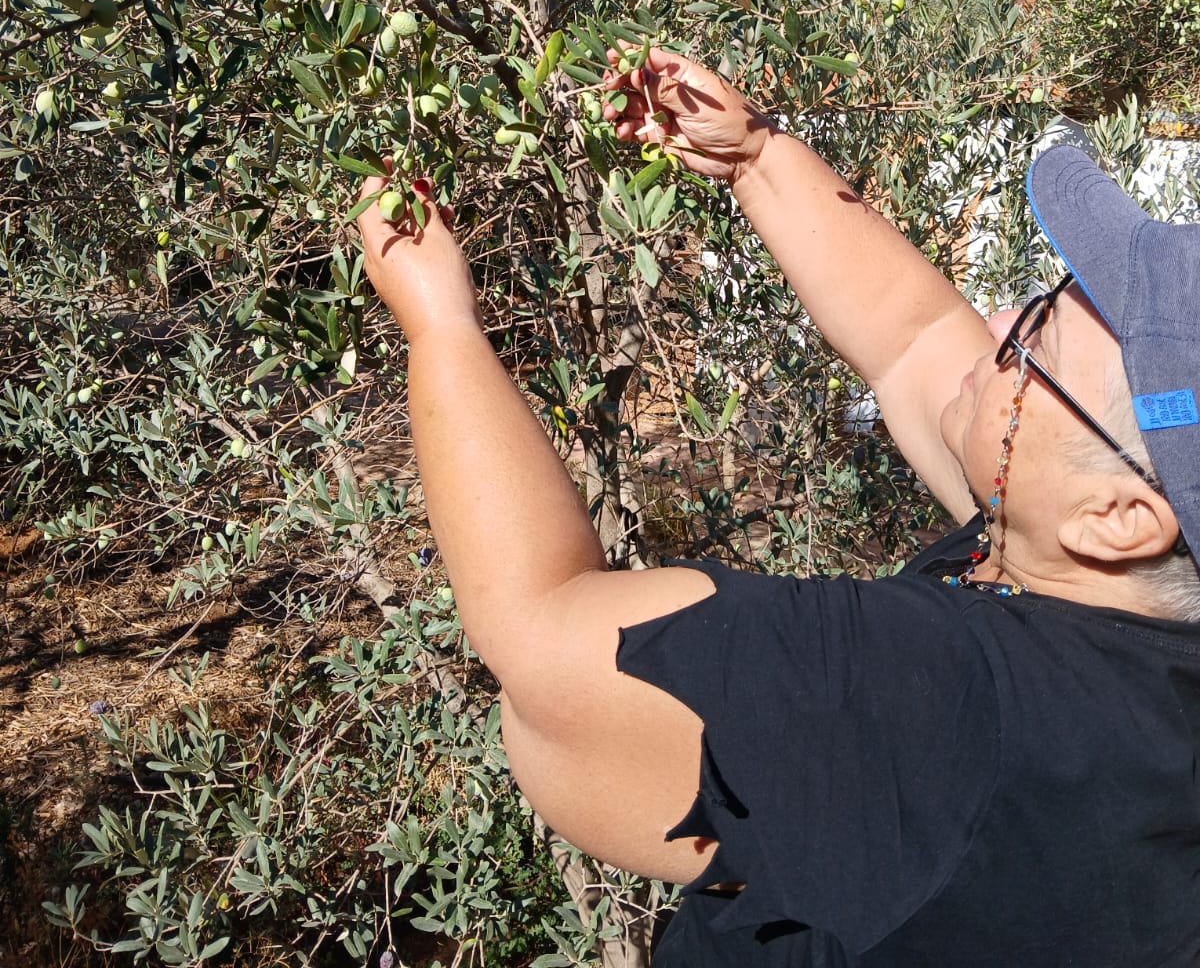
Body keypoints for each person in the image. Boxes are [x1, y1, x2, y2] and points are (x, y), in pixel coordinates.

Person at [356, 47, 1200, 966]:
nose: (996, 324)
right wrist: (753, 157)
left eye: (1034, 336)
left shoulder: (946, 705)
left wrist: (440, 328)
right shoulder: (1128, 623)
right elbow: (916, 340)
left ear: (1119, 518)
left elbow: (542, 642)